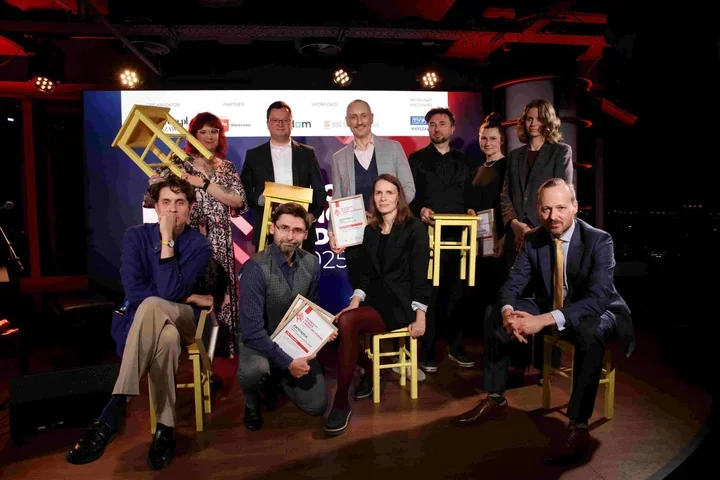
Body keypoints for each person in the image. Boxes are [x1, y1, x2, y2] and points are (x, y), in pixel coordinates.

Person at [451, 178, 635, 465]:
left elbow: (597, 299)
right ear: (538, 210)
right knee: (493, 312)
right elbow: (513, 284)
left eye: (561, 208)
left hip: (599, 311)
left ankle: (578, 426)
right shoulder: (534, 238)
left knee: (589, 330)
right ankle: (496, 397)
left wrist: (542, 321)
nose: (553, 216)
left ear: (575, 207)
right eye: (546, 209)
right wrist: (508, 313)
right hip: (553, 304)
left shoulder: (599, 240)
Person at [67, 176, 213, 470]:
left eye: (180, 203)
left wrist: (166, 240)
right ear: (156, 207)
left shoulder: (200, 245)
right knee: (166, 338)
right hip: (147, 321)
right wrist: (191, 296)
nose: (172, 210)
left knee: (154, 306)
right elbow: (134, 291)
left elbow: (170, 293)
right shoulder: (135, 236)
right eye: (166, 202)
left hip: (183, 320)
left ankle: (114, 408)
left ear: (191, 208)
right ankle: (165, 430)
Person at [324, 174, 431, 436]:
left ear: (399, 197)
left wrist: (420, 315)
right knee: (340, 322)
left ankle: (341, 402)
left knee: (347, 322)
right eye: (378, 193)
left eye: (389, 192)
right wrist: (355, 302)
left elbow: (421, 275)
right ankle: (371, 373)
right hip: (376, 299)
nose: (383, 198)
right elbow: (366, 276)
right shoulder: (370, 231)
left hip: (401, 303)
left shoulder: (414, 228)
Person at [145, 111, 247, 357]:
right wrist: (154, 185)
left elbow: (237, 200)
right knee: (192, 291)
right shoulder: (178, 163)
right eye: (203, 131)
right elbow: (152, 200)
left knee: (221, 295)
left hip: (220, 241)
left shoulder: (227, 167)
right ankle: (188, 351)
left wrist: (202, 183)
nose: (209, 136)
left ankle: (221, 351)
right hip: (189, 241)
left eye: (214, 131)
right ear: (193, 135)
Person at [236, 202, 335, 431]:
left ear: (306, 234)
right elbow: (252, 331)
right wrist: (287, 362)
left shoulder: (311, 263)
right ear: (272, 228)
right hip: (259, 342)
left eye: (297, 230)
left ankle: (277, 379)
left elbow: (310, 308)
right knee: (254, 370)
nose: (290, 236)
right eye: (284, 228)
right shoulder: (254, 268)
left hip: (294, 342)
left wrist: (322, 330)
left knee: (317, 405)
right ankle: (251, 403)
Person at [408, 107, 473, 372]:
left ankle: (456, 346)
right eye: (432, 124)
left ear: (452, 128)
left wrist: (472, 210)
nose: (437, 128)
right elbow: (410, 197)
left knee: (458, 292)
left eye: (442, 123)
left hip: (460, 237)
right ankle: (428, 351)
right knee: (429, 293)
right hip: (427, 235)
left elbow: (471, 195)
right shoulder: (416, 159)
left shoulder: (465, 160)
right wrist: (421, 209)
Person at [329, 99, 416, 289]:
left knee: (392, 293)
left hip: (391, 233)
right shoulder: (339, 158)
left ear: (372, 118)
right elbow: (337, 198)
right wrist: (333, 231)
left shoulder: (393, 148)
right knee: (360, 292)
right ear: (347, 121)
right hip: (356, 238)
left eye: (363, 116)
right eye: (354, 117)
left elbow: (409, 188)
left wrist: (385, 214)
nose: (359, 121)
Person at [240, 101, 326, 253]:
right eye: (275, 120)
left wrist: (311, 217)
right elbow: (244, 192)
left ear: (292, 123)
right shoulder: (254, 155)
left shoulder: (307, 153)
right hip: (267, 233)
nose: (280, 124)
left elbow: (320, 191)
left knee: (304, 269)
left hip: (301, 234)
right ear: (268, 123)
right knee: (266, 269)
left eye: (285, 120)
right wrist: (260, 200)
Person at [500, 99, 573, 269]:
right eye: (529, 119)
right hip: (515, 234)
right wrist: (515, 224)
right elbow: (505, 194)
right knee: (514, 282)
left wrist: (534, 228)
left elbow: (562, 193)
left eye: (539, 119)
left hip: (546, 231)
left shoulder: (560, 151)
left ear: (547, 122)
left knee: (545, 282)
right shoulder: (514, 156)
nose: (533, 123)